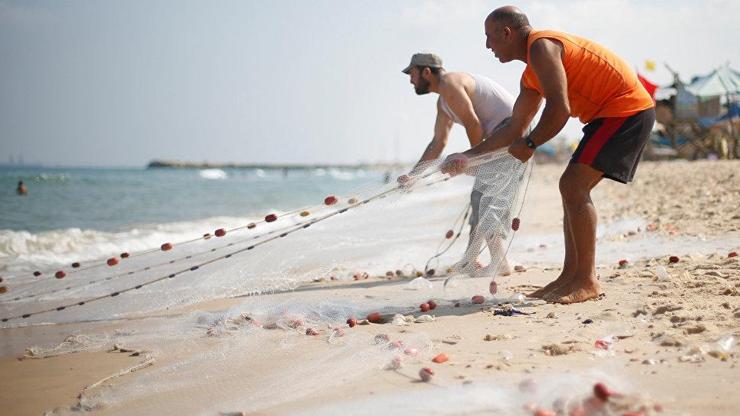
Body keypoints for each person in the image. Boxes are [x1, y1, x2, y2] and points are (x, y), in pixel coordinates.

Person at [441, 6, 655, 303]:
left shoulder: (542, 46)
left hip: (625, 109)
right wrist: (468, 156)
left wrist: (531, 144)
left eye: (490, 37)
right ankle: (570, 277)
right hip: (607, 115)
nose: (487, 46)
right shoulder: (531, 73)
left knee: (573, 185)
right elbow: (516, 126)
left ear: (507, 33)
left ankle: (586, 280)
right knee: (571, 186)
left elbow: (559, 109)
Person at [399, 52, 517, 278]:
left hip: (510, 130)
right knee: (480, 196)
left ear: (426, 72)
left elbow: (474, 124)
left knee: (490, 197)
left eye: (412, 74)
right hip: (497, 137)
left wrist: (473, 157)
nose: (410, 80)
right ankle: (472, 258)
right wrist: (414, 175)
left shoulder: (451, 83)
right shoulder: (443, 102)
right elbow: (438, 142)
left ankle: (499, 262)